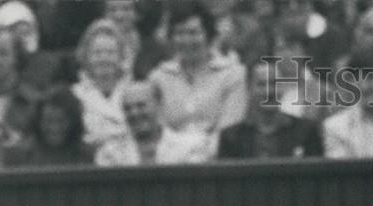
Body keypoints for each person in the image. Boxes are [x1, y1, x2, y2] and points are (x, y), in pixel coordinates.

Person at [147, 0, 247, 140]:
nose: (187, 40)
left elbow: (230, 127)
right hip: (171, 156)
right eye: (180, 33)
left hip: (219, 156)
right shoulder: (158, 77)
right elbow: (158, 129)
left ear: (208, 34)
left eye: (194, 33)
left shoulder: (233, 74)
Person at [217, 62, 323, 159]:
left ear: (283, 88)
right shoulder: (231, 138)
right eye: (261, 85)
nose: (269, 92)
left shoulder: (306, 132)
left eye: (274, 84)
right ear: (249, 89)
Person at [95, 80, 212, 166]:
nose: (134, 113)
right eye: (127, 108)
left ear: (159, 105)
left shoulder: (190, 148)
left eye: (141, 106)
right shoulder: (110, 153)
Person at [71, 20, 130, 148]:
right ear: (86, 57)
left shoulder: (133, 92)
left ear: (121, 57)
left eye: (110, 53)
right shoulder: (75, 95)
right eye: (97, 53)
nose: (104, 59)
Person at [4, 86, 94, 167]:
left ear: (73, 122)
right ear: (38, 122)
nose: (55, 128)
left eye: (61, 121)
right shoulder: (19, 155)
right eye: (48, 121)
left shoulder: (88, 155)